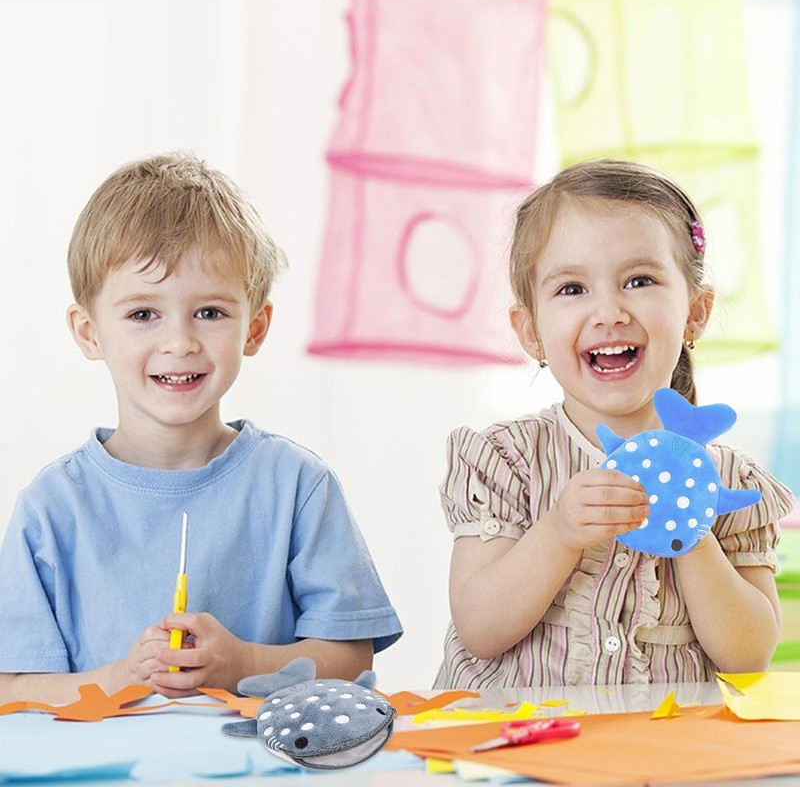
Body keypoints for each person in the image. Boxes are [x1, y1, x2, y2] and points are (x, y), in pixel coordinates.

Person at [0, 153, 402, 703]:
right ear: (89, 333)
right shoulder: (51, 508)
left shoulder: (298, 485)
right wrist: (120, 679)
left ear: (254, 327)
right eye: (143, 314)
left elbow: (351, 658)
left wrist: (243, 663)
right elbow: (13, 690)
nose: (180, 342)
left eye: (210, 312)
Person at [434, 159, 794, 689]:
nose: (609, 312)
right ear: (530, 331)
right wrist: (558, 533)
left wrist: (691, 533)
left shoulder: (732, 481)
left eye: (639, 280)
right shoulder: (504, 459)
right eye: (572, 289)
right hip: (515, 744)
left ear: (695, 313)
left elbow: (748, 658)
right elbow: (480, 629)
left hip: (660, 749)